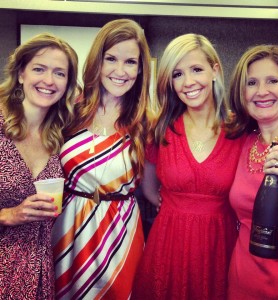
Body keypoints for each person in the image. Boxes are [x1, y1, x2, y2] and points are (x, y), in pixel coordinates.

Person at [131, 33, 245, 300]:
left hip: (220, 246)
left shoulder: (240, 129)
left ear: (215, 70)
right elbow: (148, 188)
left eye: (196, 70)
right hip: (168, 243)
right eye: (178, 74)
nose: (188, 82)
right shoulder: (161, 129)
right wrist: (176, 209)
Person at [52, 18, 152, 299]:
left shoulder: (147, 123)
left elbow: (154, 191)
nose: (121, 71)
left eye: (131, 62)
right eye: (111, 59)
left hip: (119, 230)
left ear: (141, 68)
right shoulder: (69, 111)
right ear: (98, 61)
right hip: (69, 226)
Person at [0, 33, 79, 299]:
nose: (48, 80)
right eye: (39, 69)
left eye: (59, 73)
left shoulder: (59, 135)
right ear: (21, 73)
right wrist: (8, 215)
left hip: (38, 271)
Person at [226, 44, 278, 299]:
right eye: (252, 83)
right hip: (241, 281)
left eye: (272, 81)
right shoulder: (243, 141)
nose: (262, 91)